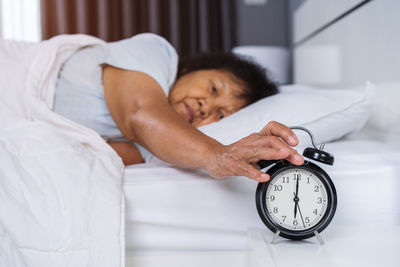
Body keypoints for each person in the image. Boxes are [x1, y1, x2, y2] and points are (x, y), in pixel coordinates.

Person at [53, 33, 304, 182]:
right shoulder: (156, 53)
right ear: (193, 69)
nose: (206, 107)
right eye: (214, 88)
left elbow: (88, 156)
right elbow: (139, 115)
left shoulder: (161, 141)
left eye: (220, 114)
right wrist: (216, 154)